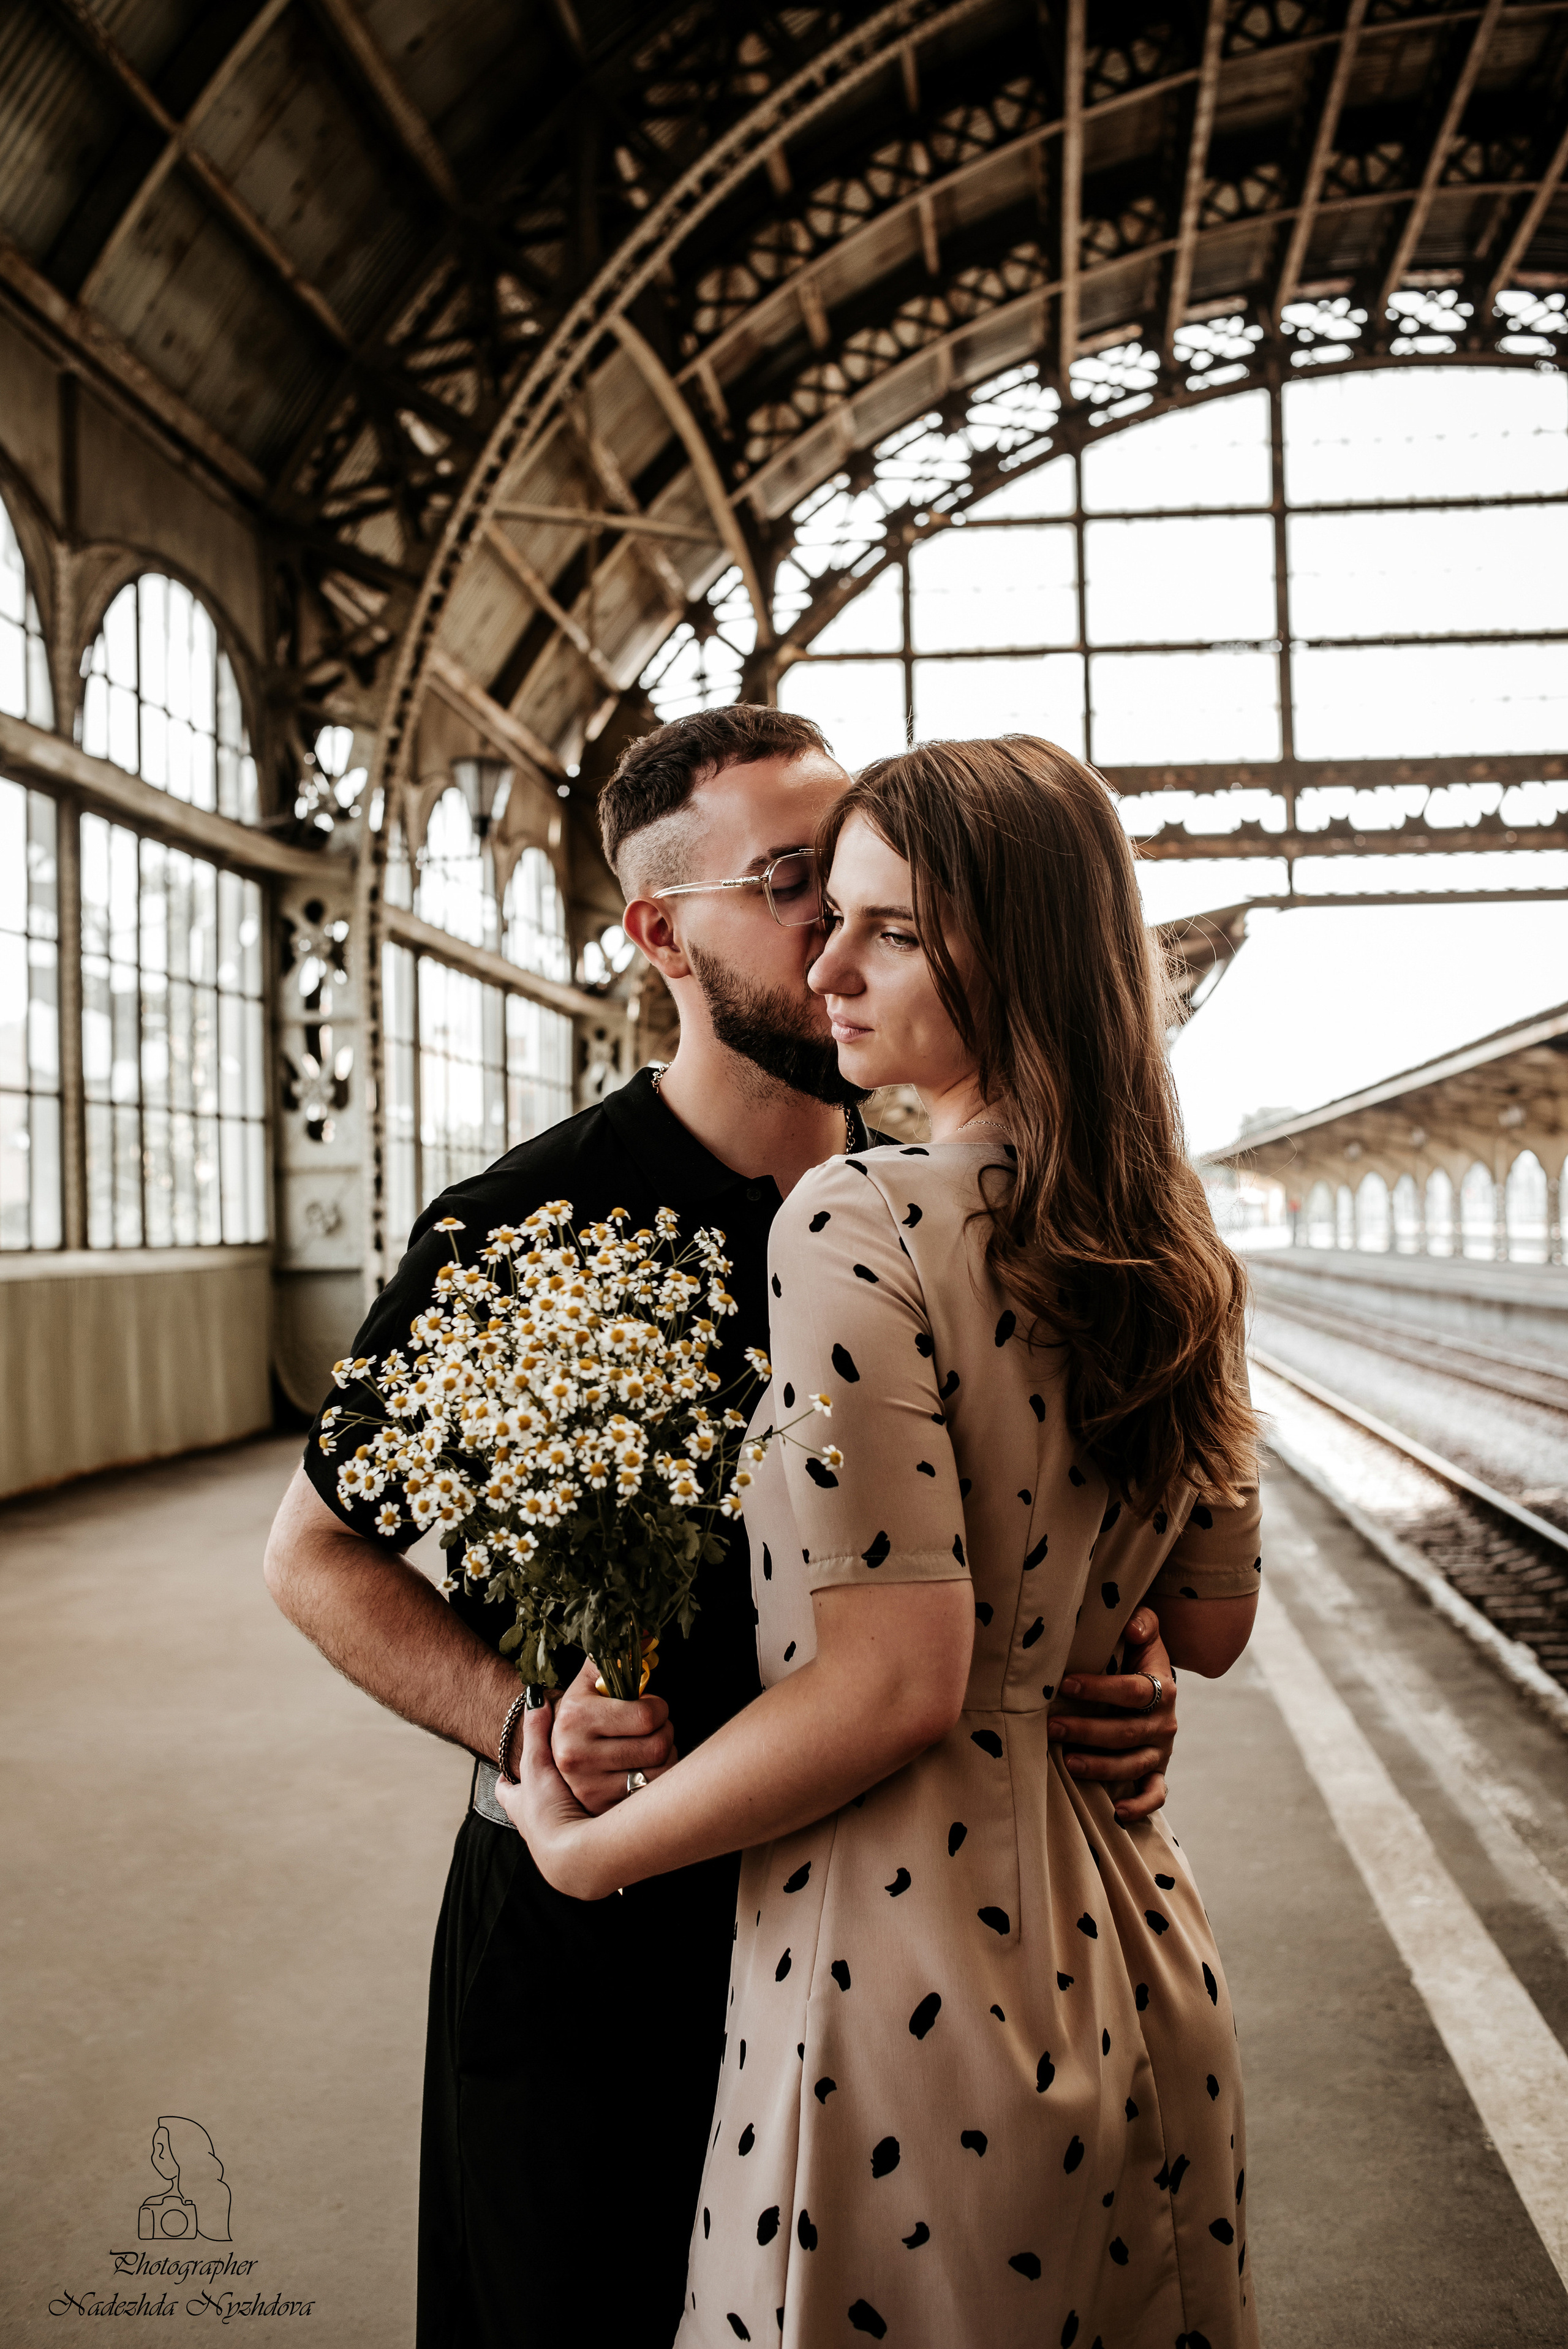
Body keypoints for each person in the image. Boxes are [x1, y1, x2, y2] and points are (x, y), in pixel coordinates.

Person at [263, 709, 1182, 2348]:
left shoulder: (952, 1204)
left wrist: (1123, 1658)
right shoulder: (515, 1228)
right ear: (656, 933)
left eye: (855, 879)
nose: (836, 927)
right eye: (786, 884)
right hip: (596, 1971)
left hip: (887, 1969)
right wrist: (523, 1722)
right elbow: (314, 1555)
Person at [503, 735, 1261, 2348]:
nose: (830, 964)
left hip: (902, 1985)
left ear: (1017, 948)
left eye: (889, 930)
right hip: (1137, 1951)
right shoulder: (1179, 1244)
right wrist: (1085, 1647)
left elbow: (891, 1686)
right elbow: (1203, 1621)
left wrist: (579, 1850)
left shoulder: (862, 1217)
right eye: (822, 912)